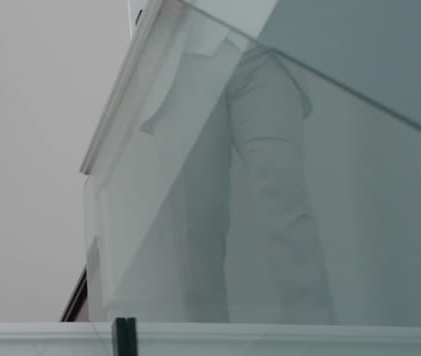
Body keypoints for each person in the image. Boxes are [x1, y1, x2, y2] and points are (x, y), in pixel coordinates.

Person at [132, 0, 336, 324]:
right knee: (196, 224)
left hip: (265, 47)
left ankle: (320, 338)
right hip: (181, 52)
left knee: (286, 197)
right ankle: (210, 347)